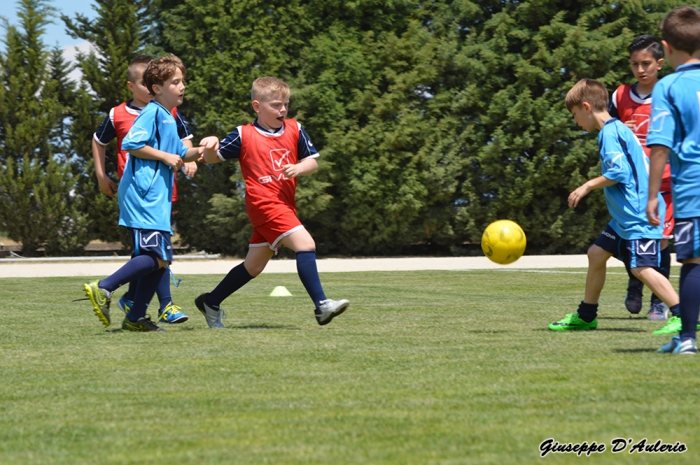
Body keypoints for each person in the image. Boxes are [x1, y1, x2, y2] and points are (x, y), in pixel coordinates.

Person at [195, 76, 349, 329]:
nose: (283, 110)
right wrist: (210, 145)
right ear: (257, 106)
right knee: (305, 244)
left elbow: (313, 162)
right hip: (263, 204)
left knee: (253, 266)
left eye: (286, 104)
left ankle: (211, 302)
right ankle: (322, 305)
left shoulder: (295, 129)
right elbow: (211, 159)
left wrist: (300, 168)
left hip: (285, 204)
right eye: (276, 105)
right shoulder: (243, 134)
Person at [548, 78, 680, 331]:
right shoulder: (615, 129)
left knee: (641, 268)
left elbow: (618, 172)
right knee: (596, 254)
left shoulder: (609, 133)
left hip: (639, 214)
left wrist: (586, 185)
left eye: (575, 114)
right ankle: (586, 316)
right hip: (624, 219)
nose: (575, 121)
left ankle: (683, 314)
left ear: (586, 107)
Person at [83, 55, 202, 332]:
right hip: (143, 195)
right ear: (158, 88)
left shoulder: (168, 116)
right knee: (157, 257)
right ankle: (105, 287)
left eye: (182, 81)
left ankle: (136, 317)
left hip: (156, 197)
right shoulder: (151, 112)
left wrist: (206, 150)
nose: (182, 86)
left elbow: (182, 153)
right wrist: (163, 156)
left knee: (160, 260)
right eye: (176, 82)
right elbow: (132, 143)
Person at [647, 6, 700, 355]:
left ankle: (687, 340)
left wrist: (652, 195)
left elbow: (661, 146)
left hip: (692, 190)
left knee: (694, 262)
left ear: (665, 48)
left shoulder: (668, 86)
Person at [609, 34, 674, 322]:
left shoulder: (671, 94)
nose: (640, 69)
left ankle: (659, 302)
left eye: (646, 63)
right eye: (635, 64)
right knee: (630, 239)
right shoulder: (619, 96)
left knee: (660, 241)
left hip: (665, 186)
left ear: (660, 63)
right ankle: (635, 281)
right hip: (632, 187)